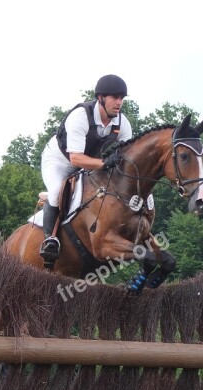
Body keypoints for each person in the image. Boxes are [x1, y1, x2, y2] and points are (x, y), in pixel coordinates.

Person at [39, 74, 133, 263]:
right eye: (114, 97)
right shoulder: (81, 116)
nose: (119, 102)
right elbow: (75, 158)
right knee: (57, 190)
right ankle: (50, 240)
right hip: (59, 161)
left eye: (121, 98)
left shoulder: (122, 124)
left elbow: (127, 157)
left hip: (88, 165)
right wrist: (105, 163)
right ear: (101, 98)